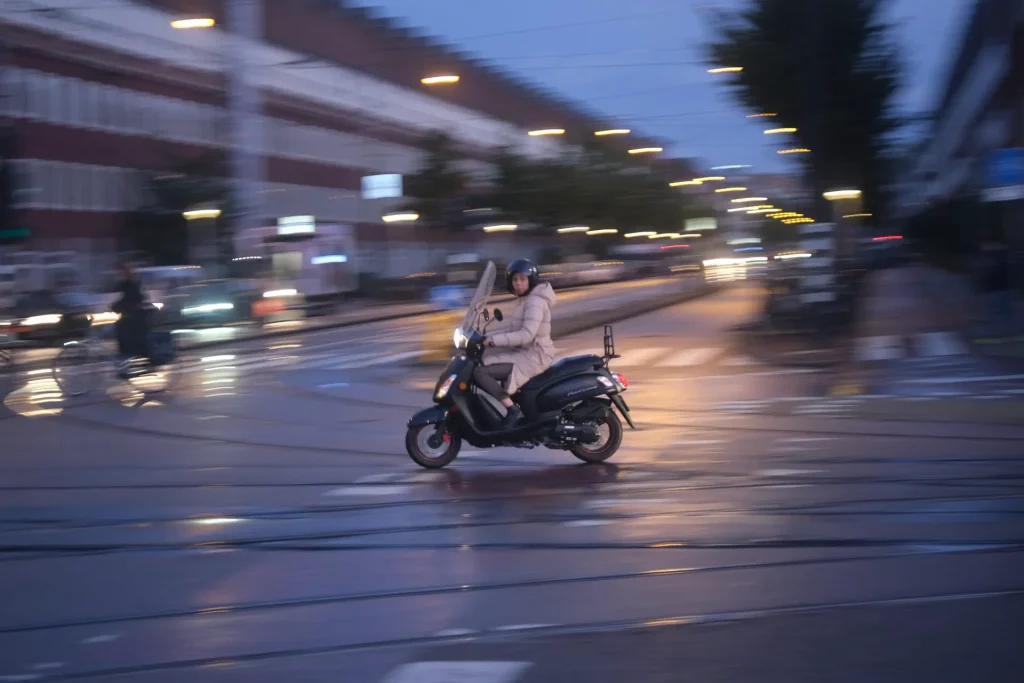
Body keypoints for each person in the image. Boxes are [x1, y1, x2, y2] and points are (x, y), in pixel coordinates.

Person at [474, 259, 557, 428]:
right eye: (515, 280)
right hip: (526, 353)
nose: (518, 283)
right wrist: (484, 337)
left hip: (535, 356)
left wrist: (492, 341)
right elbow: (513, 332)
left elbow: (526, 335)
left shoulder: (535, 302)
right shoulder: (526, 300)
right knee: (481, 366)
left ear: (530, 280)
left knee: (479, 372)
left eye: (522, 279)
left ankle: (512, 410)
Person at [111, 262, 149, 377]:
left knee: (123, 341)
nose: (118, 274)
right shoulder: (129, 283)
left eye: (120, 272)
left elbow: (131, 299)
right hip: (131, 317)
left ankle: (125, 370)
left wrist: (116, 306)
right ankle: (124, 368)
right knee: (122, 340)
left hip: (133, 319)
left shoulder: (131, 284)